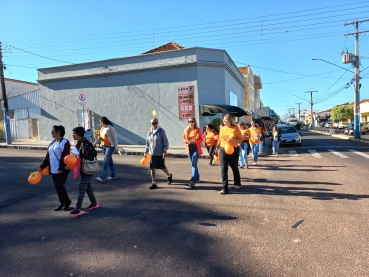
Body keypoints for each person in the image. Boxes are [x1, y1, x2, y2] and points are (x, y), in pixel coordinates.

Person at [38, 125, 72, 211]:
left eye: (53, 131)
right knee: (57, 187)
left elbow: (65, 156)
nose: (51, 133)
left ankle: (67, 201)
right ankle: (62, 203)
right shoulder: (52, 142)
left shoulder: (65, 142)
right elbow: (47, 156)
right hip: (53, 169)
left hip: (62, 169)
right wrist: (42, 167)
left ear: (58, 132)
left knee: (59, 184)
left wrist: (61, 168)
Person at [68, 127, 99, 216]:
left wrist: (81, 155)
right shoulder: (79, 143)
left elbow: (94, 153)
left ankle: (78, 209)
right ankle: (94, 203)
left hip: (88, 168)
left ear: (79, 134)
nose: (72, 135)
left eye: (74, 133)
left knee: (82, 188)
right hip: (82, 168)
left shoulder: (86, 143)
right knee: (88, 188)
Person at [214, 114, 243, 195]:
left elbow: (240, 140)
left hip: (234, 149)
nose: (224, 121)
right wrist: (216, 149)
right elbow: (219, 140)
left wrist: (233, 140)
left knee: (234, 167)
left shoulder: (235, 128)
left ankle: (237, 183)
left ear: (230, 121)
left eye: (226, 120)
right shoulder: (222, 128)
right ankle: (224, 188)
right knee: (223, 169)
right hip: (223, 149)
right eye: (224, 119)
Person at [144, 118, 173, 189]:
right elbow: (147, 143)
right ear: (151, 123)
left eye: (155, 122)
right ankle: (154, 183)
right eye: (152, 123)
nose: (154, 124)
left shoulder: (161, 131)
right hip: (152, 153)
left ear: (157, 123)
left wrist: (164, 151)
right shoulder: (149, 132)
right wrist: (146, 152)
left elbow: (165, 142)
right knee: (152, 167)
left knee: (162, 166)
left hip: (160, 153)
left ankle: (169, 175)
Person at [95, 116, 119, 182]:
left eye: (100, 122)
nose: (99, 123)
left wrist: (116, 148)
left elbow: (114, 138)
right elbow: (103, 137)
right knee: (109, 161)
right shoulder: (102, 128)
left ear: (103, 122)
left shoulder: (110, 128)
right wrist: (99, 138)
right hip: (104, 146)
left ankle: (102, 176)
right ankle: (113, 175)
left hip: (110, 146)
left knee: (105, 161)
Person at [182, 116, 203, 187]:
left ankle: (193, 180)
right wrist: (186, 141)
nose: (190, 123)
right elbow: (183, 139)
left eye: (191, 121)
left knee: (194, 163)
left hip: (195, 148)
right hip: (189, 148)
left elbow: (201, 139)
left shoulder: (197, 130)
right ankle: (197, 178)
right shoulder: (186, 130)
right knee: (193, 164)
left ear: (194, 122)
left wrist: (194, 141)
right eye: (189, 121)